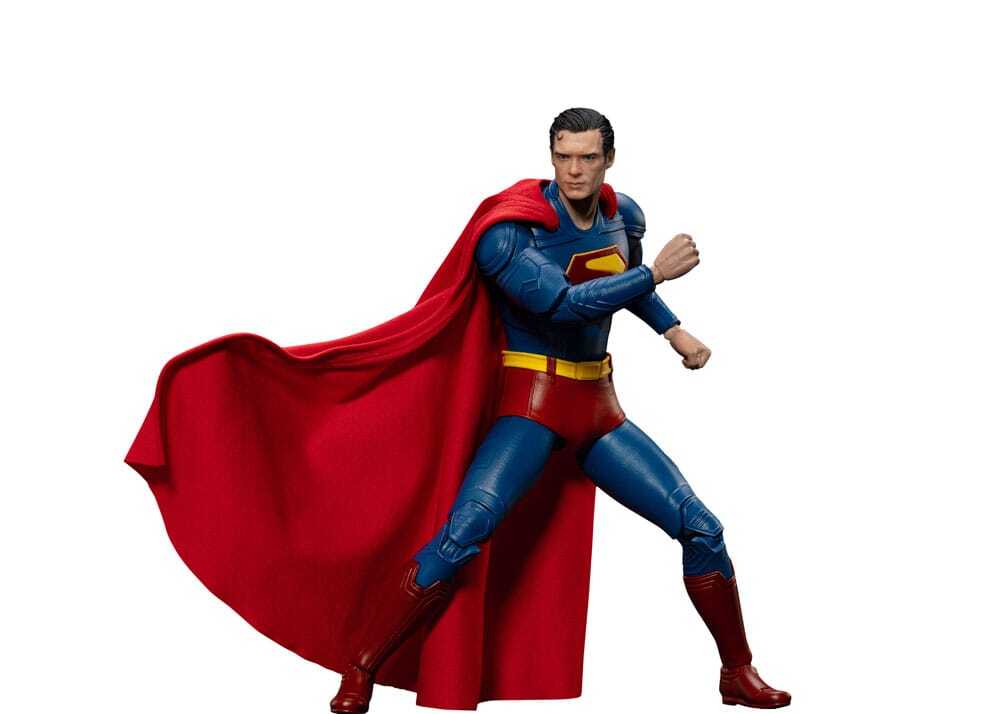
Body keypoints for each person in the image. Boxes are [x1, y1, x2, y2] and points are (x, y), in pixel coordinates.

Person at [329, 108, 791, 712]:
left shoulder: (623, 216)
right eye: (564, 156)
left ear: (609, 160)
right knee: (464, 533)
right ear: (550, 155)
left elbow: (623, 281)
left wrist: (671, 329)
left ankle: (737, 671)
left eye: (588, 158)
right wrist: (654, 273)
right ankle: (361, 666)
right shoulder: (510, 234)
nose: (575, 170)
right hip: (532, 410)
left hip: (599, 409)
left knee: (702, 527)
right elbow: (564, 304)